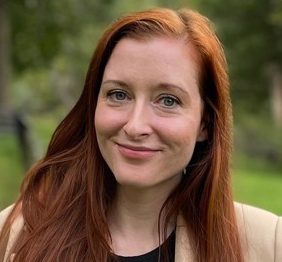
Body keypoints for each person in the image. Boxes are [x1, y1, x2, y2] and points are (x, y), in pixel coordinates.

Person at [0, 7, 281, 262]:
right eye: (118, 94)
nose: (135, 126)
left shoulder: (268, 245)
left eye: (168, 100)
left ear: (204, 125)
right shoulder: (16, 235)